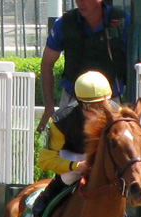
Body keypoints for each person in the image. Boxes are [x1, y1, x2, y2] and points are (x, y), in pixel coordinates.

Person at [33, 70, 116, 217]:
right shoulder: (60, 121)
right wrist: (77, 166)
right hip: (73, 154)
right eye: (89, 106)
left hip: (101, 154)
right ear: (79, 103)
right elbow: (45, 161)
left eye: (101, 105)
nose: (96, 112)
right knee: (69, 175)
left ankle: (121, 215)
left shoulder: (118, 115)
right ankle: (47, 197)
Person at [37, 0, 129, 131]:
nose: (80, 2)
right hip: (71, 102)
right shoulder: (64, 23)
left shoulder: (123, 22)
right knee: (60, 148)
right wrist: (49, 107)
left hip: (111, 102)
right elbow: (46, 64)